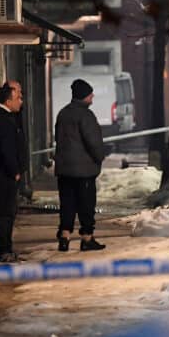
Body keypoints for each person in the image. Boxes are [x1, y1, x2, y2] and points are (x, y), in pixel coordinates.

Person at [54, 79, 106, 252]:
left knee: (67, 204)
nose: (92, 97)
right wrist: (99, 157)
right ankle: (87, 238)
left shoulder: (63, 114)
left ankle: (64, 236)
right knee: (86, 205)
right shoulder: (86, 116)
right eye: (90, 94)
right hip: (83, 171)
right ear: (84, 96)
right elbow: (93, 142)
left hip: (64, 170)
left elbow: (58, 139)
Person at [0, 82, 27, 263]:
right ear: (8, 99)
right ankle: (3, 250)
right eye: (18, 97)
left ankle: (6, 248)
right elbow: (6, 149)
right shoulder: (2, 119)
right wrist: (15, 171)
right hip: (4, 173)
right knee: (4, 213)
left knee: (8, 212)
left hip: (4, 172)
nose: (21, 101)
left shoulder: (7, 116)